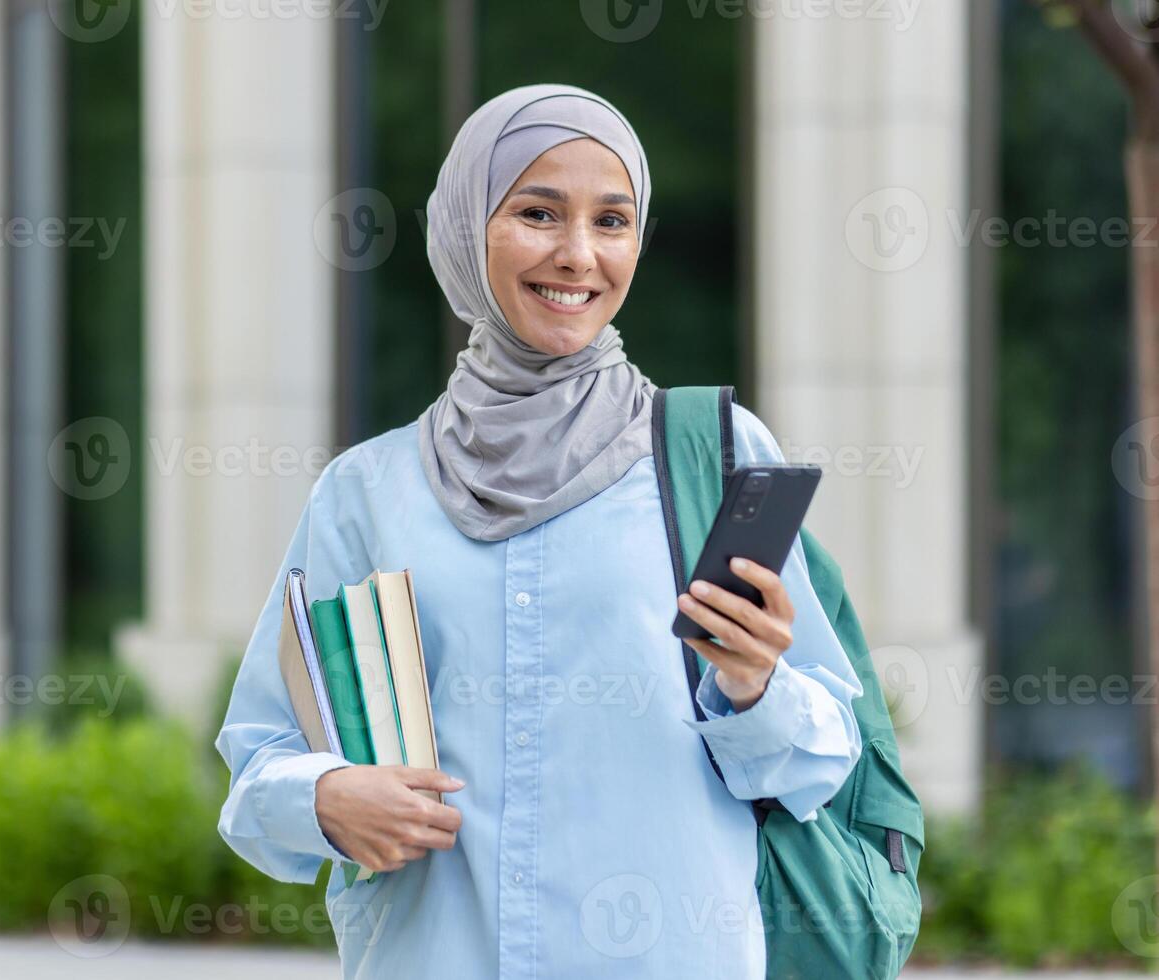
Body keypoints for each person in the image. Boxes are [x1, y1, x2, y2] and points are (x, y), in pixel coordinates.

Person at [215, 82, 863, 978]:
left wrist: (756, 685)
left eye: (612, 220)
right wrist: (325, 797)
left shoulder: (713, 455)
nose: (577, 255)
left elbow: (821, 762)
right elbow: (259, 763)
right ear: (465, 228)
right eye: (537, 212)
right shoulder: (364, 493)